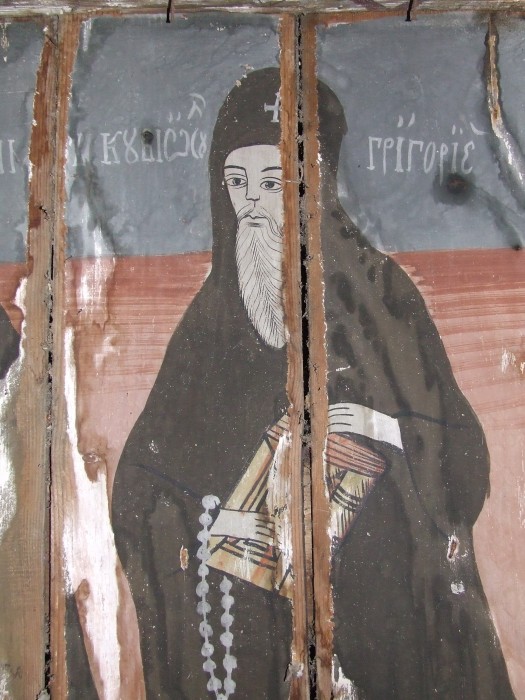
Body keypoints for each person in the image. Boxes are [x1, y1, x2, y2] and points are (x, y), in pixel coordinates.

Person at [112, 68, 514, 699]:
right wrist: (208, 515)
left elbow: (463, 457)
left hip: (380, 610)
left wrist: (383, 428)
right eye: (237, 183)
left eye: (273, 183)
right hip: (254, 629)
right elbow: (143, 480)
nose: (252, 203)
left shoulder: (382, 298)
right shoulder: (210, 321)